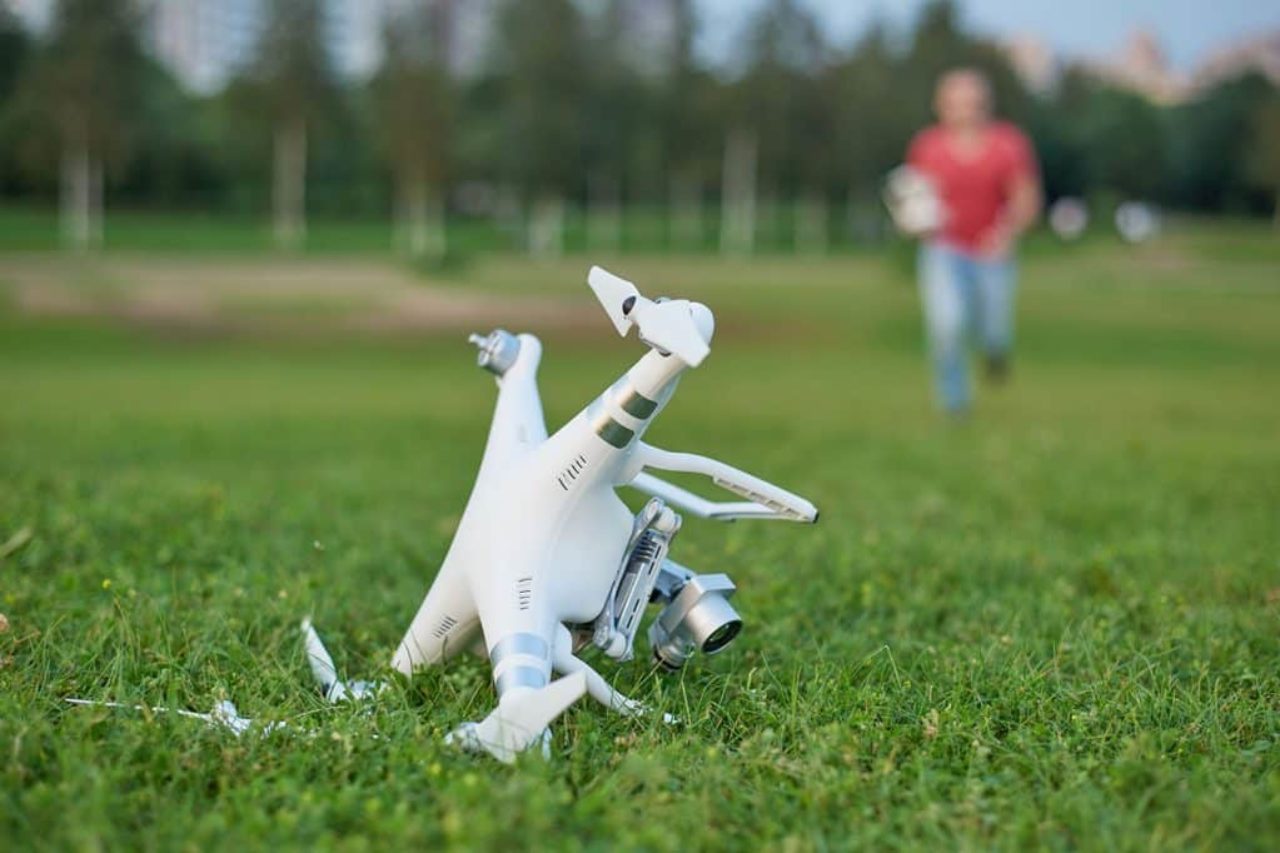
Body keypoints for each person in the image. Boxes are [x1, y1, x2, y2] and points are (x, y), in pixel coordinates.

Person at [905, 68, 1042, 415]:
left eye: (972, 102)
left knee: (994, 329)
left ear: (985, 104)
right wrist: (918, 225)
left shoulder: (1007, 144)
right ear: (941, 106)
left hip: (992, 252)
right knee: (946, 327)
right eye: (956, 103)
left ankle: (996, 352)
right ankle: (955, 405)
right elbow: (914, 201)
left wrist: (1006, 232)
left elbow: (1027, 200)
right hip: (944, 249)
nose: (965, 110)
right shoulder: (927, 146)